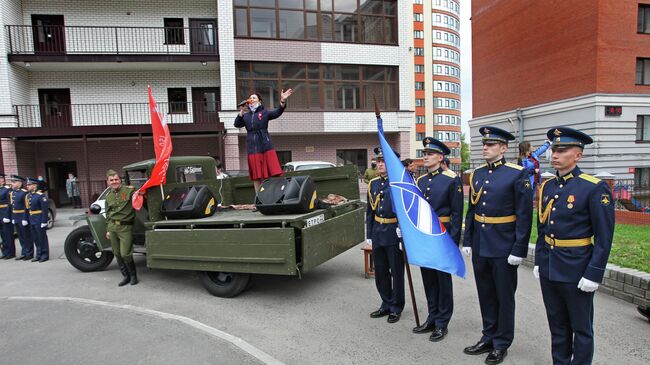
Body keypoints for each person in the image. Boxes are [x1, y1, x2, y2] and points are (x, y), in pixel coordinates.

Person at [534, 127, 615, 365]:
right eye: (553, 149)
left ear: (578, 155)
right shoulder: (548, 186)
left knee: (581, 327)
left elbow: (604, 235)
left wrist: (594, 273)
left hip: (577, 267)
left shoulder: (593, 187)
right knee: (557, 324)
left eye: (562, 149)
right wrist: (540, 260)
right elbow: (542, 229)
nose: (555, 154)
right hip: (550, 265)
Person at [462, 126, 533, 365]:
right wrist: (468, 239)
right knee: (486, 293)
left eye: (491, 145)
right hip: (482, 244)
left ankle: (502, 343)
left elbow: (524, 215)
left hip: (503, 245)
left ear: (503, 148)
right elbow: (471, 210)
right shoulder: (477, 174)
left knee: (504, 296)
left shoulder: (517, 173)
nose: (485, 147)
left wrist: (519, 248)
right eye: (484, 144)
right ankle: (488, 336)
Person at [413, 137, 463, 342]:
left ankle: (443, 322)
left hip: (442, 236)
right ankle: (432, 317)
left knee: (443, 282)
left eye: (430, 154)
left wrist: (452, 243)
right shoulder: (421, 180)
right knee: (429, 280)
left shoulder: (452, 179)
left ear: (441, 157)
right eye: (424, 153)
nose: (425, 156)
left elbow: (457, 213)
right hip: (426, 237)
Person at [366, 147, 404, 324]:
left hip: (393, 232)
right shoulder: (373, 183)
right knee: (380, 271)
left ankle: (396, 307)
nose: (380, 164)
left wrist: (402, 230)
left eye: (384, 161)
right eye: (378, 161)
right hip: (378, 232)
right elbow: (369, 211)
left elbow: (406, 210)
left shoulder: (399, 182)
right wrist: (369, 233)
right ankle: (386, 303)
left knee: (396, 271)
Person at [234, 89, 293, 192]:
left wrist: (282, 101)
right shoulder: (246, 116)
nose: (251, 99)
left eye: (254, 97)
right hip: (253, 148)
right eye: (250, 98)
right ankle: (259, 198)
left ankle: (273, 194)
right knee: (256, 176)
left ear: (259, 101)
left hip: (265, 146)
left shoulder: (264, 113)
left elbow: (277, 112)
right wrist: (242, 111)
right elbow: (236, 124)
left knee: (270, 172)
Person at [105, 169, 138, 286]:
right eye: (111, 180)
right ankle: (126, 276)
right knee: (117, 253)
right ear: (108, 182)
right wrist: (108, 229)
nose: (114, 182)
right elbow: (108, 214)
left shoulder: (129, 190)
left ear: (120, 180)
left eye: (116, 179)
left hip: (125, 227)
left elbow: (140, 196)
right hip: (113, 227)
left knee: (125, 253)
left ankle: (134, 275)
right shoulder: (108, 197)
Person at [26, 177, 49, 262]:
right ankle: (38, 254)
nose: (27, 186)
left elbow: (45, 209)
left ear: (35, 185)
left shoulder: (41, 195)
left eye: (29, 184)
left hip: (39, 218)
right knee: (35, 238)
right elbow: (28, 209)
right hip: (32, 219)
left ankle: (44, 255)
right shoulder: (28, 196)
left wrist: (44, 221)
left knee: (42, 238)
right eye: (27, 184)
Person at [10, 175, 33, 261]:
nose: (12, 183)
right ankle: (24, 252)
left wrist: (25, 218)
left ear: (20, 183)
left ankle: (29, 253)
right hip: (16, 217)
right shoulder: (13, 193)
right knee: (21, 236)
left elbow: (26, 207)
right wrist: (13, 217)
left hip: (22, 217)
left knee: (26, 236)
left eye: (14, 182)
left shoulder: (24, 193)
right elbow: (13, 207)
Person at [0, 173, 15, 259]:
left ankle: (10, 253)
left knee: (8, 234)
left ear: (2, 180)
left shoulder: (7, 190)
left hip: (5, 214)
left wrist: (7, 216)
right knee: (2, 235)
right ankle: (4, 252)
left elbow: (10, 203)